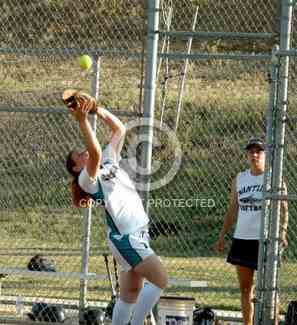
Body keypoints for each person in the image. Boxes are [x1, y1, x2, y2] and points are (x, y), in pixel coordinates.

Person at [63, 89, 168, 325]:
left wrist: (95, 109)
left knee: (130, 294)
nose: (84, 152)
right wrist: (82, 121)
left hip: (134, 234)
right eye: (79, 154)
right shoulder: (87, 180)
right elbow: (95, 151)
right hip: (126, 237)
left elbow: (119, 129)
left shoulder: (109, 160)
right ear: (77, 168)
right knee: (160, 279)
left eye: (82, 150)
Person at [215, 137, 288, 325]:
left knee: (269, 289)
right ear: (247, 155)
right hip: (242, 239)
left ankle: (272, 322)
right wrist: (223, 235)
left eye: (259, 151)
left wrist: (282, 232)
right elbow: (233, 208)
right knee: (246, 289)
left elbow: (284, 208)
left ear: (266, 155)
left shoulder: (273, 177)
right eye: (251, 152)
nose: (254, 155)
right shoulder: (240, 178)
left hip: (265, 240)